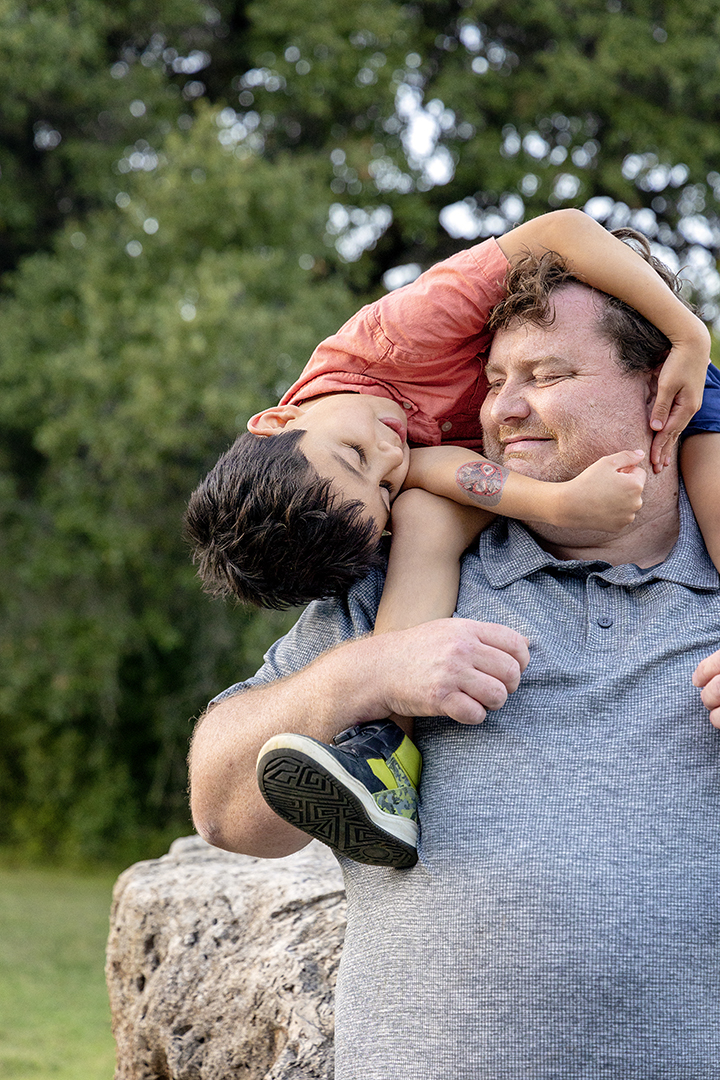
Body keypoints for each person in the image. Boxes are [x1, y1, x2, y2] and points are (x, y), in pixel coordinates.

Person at [189, 247, 720, 1077]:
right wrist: (367, 672)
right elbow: (222, 810)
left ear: (662, 391)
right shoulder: (393, 580)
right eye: (494, 379)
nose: (503, 408)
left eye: (546, 374)